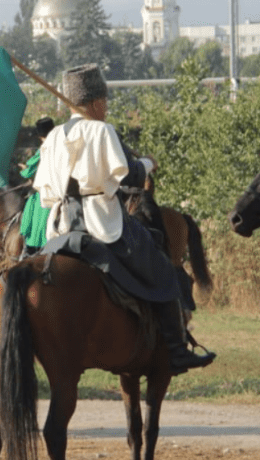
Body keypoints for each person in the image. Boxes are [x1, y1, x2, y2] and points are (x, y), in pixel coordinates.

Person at [33, 64, 214, 374]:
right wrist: (147, 163)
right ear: (94, 102)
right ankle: (176, 348)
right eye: (104, 100)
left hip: (62, 226)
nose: (106, 106)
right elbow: (128, 176)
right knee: (164, 270)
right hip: (103, 224)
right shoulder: (103, 130)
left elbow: (45, 192)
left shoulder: (53, 137)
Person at [18, 116, 55, 255]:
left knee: (32, 204)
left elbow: (28, 171)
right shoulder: (63, 144)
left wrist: (23, 169)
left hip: (47, 194)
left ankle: (30, 248)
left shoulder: (44, 148)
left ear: (40, 136)